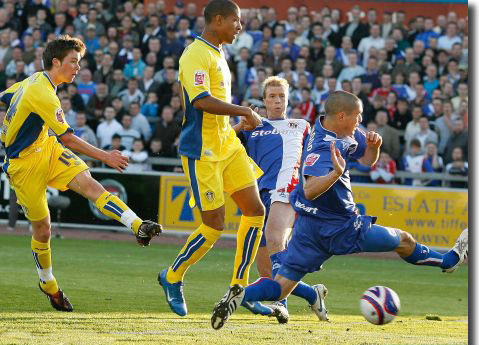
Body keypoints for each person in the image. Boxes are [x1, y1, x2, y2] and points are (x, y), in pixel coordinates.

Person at [210, 91, 468, 330]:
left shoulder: (345, 130)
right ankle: (448, 261)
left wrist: (374, 148)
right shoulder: (323, 145)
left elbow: (366, 160)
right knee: (403, 240)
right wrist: (335, 173)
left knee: (280, 289)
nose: (361, 121)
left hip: (308, 230)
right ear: (343, 116)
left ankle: (240, 294)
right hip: (342, 227)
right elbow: (310, 189)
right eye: (358, 116)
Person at [0, 35, 162, 312]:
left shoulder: (33, 81)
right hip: (24, 166)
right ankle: (47, 283)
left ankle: (138, 225)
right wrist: (106, 156)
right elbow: (70, 139)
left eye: (79, 62)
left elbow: (5, 97)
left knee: (90, 185)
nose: (78, 68)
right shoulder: (42, 92)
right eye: (73, 62)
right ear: (55, 62)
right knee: (43, 229)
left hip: (46, 148)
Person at [158, 0, 265, 317]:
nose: (240, 27)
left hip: (227, 143)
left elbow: (212, 112)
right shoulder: (194, 54)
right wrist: (245, 110)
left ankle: (238, 288)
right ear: (218, 20)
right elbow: (201, 102)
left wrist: (235, 125)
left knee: (255, 211)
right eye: (236, 21)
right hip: (201, 151)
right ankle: (172, 276)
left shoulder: (219, 53)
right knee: (214, 225)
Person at [235, 76, 325, 320]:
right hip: (259, 195)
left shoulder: (302, 125)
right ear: (264, 100)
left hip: (288, 190)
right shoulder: (252, 128)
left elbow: (314, 161)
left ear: (287, 99)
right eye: (272, 97)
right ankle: (310, 295)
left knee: (276, 238)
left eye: (281, 96)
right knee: (268, 273)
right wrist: (238, 128)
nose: (277, 101)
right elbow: (222, 147)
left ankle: (282, 302)